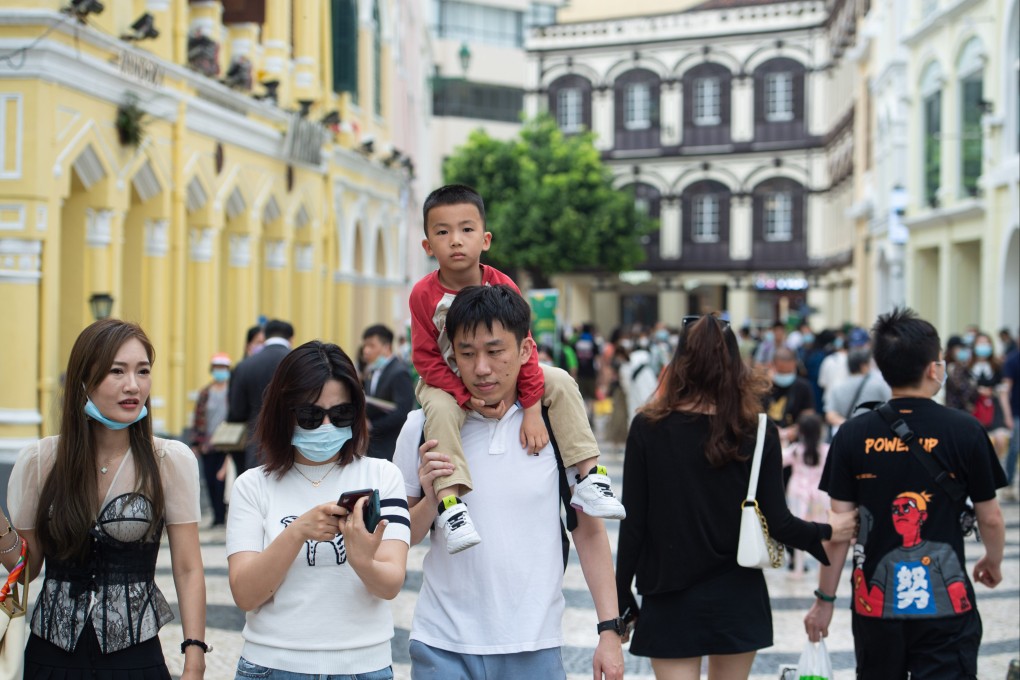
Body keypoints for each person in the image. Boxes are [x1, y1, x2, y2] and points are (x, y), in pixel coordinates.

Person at [394, 285, 625, 680]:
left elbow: (587, 532)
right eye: (466, 353)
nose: (481, 367)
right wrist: (431, 498)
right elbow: (400, 537)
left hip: (533, 646)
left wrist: (609, 630)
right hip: (442, 643)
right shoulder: (423, 427)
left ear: (524, 351)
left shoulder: (553, 425)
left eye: (495, 351)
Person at [615, 314, 857, 680]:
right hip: (737, 596)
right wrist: (827, 531)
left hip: (669, 597)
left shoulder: (648, 428)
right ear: (734, 365)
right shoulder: (758, 431)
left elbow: (633, 523)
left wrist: (621, 595)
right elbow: (779, 523)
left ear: (680, 363)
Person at [409, 184, 624, 554]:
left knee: (558, 378)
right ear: (428, 246)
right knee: (440, 411)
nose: (456, 241)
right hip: (443, 381)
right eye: (442, 232)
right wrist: (464, 395)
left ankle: (590, 476)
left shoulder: (501, 284)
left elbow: (526, 350)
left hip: (500, 379)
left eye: (466, 229)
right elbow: (426, 358)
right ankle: (450, 504)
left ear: (486, 239)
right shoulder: (422, 295)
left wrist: (532, 409)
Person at [805, 308, 1007, 679]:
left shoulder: (852, 434)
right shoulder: (965, 430)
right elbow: (990, 516)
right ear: (934, 369)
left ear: (883, 369)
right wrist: (992, 561)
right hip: (946, 609)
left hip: (876, 610)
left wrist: (824, 601)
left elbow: (839, 532)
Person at [4, 319, 207, 678]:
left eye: (142, 371)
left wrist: (195, 652)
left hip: (135, 656)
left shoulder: (168, 461)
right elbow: (28, 568)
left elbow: (188, 567)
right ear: (84, 380)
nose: (133, 385)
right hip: (51, 655)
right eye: (117, 371)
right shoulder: (40, 461)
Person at [226, 340, 410, 678]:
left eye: (340, 414)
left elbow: (390, 585)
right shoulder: (252, 486)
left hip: (363, 666)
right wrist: (296, 532)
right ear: (284, 412)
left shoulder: (382, 476)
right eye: (310, 415)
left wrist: (361, 557)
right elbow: (246, 594)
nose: (327, 427)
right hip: (273, 665)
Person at [228, 319, 294, 474]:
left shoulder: (245, 365)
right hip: (293, 442)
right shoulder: (299, 363)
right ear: (291, 338)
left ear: (265, 336)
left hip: (257, 444)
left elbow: (236, 411)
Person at [782, 413, 831, 575]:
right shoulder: (826, 450)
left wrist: (782, 439)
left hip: (798, 494)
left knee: (799, 532)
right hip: (819, 495)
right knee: (822, 532)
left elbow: (780, 460)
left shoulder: (796, 450)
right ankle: (822, 569)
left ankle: (798, 568)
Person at [190, 351, 233, 527]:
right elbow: (198, 418)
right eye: (217, 368)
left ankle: (224, 516)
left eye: (223, 368)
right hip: (208, 445)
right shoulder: (205, 393)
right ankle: (217, 517)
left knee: (222, 481)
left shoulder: (232, 392)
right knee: (210, 481)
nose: (220, 371)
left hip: (228, 444)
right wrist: (195, 443)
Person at [361, 324, 416, 461]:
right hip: (374, 445)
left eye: (371, 346)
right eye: (365, 346)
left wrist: (372, 426)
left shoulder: (399, 372)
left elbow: (403, 412)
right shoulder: (372, 371)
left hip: (391, 445)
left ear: (386, 347)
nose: (366, 351)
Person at [824, 348, 892, 437]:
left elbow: (830, 415)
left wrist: (851, 426)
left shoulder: (837, 387)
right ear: (863, 366)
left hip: (848, 437)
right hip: (874, 436)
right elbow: (892, 406)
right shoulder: (879, 384)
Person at [1002, 347, 1019, 499]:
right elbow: (1006, 389)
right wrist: (1008, 415)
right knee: (1014, 448)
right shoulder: (1012, 360)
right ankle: (1009, 483)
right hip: (1016, 413)